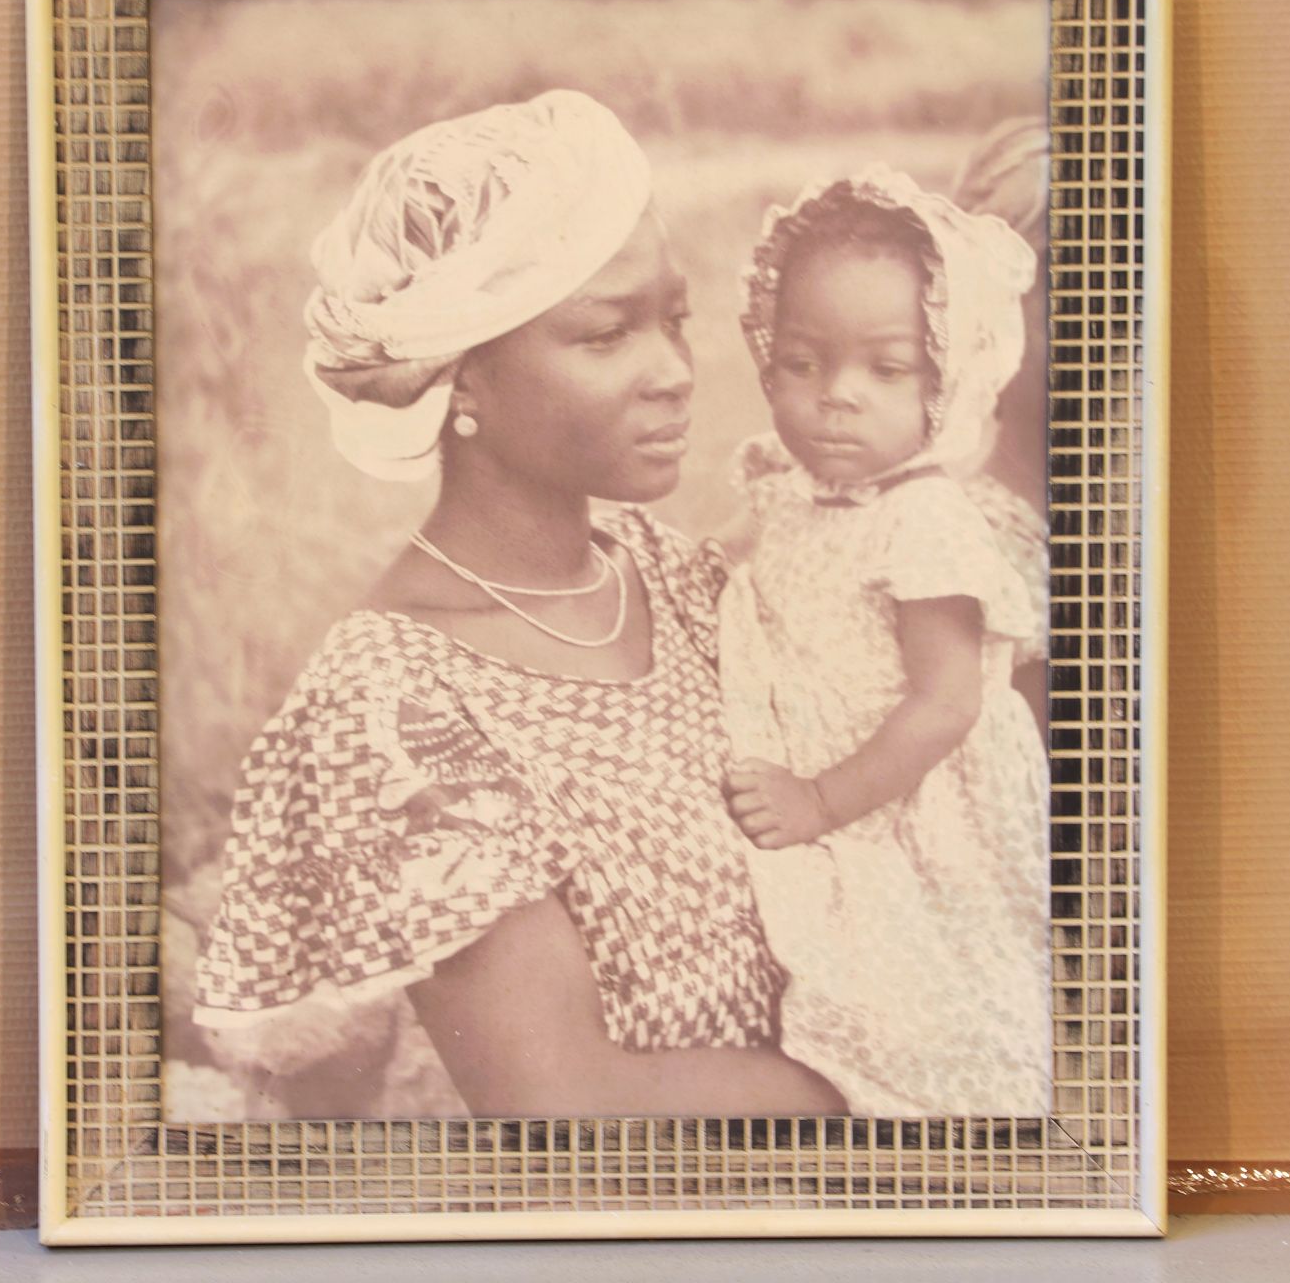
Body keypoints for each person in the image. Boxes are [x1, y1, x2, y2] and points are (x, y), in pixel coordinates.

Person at [191, 90, 843, 1119]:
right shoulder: (395, 705)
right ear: (461, 380)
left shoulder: (668, 575)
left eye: (674, 319)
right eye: (606, 335)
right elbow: (561, 1100)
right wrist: (891, 1100)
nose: (675, 373)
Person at [718, 162, 1052, 1117]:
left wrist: (822, 799)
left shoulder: (925, 519)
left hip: (911, 801)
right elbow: (735, 573)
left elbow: (946, 705)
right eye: (802, 363)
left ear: (949, 382)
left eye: (887, 369)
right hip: (827, 773)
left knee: (922, 999)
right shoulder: (796, 490)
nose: (838, 396)